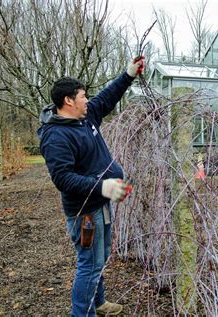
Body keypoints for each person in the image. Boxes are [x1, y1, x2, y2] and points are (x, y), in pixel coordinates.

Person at [37, 57, 144, 316]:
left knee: (100, 258)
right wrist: (103, 187)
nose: (88, 100)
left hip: (99, 203)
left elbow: (108, 97)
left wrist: (128, 74)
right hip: (85, 212)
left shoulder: (85, 117)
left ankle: (99, 302)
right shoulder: (56, 136)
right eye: (83, 96)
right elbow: (63, 179)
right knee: (89, 265)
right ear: (69, 101)